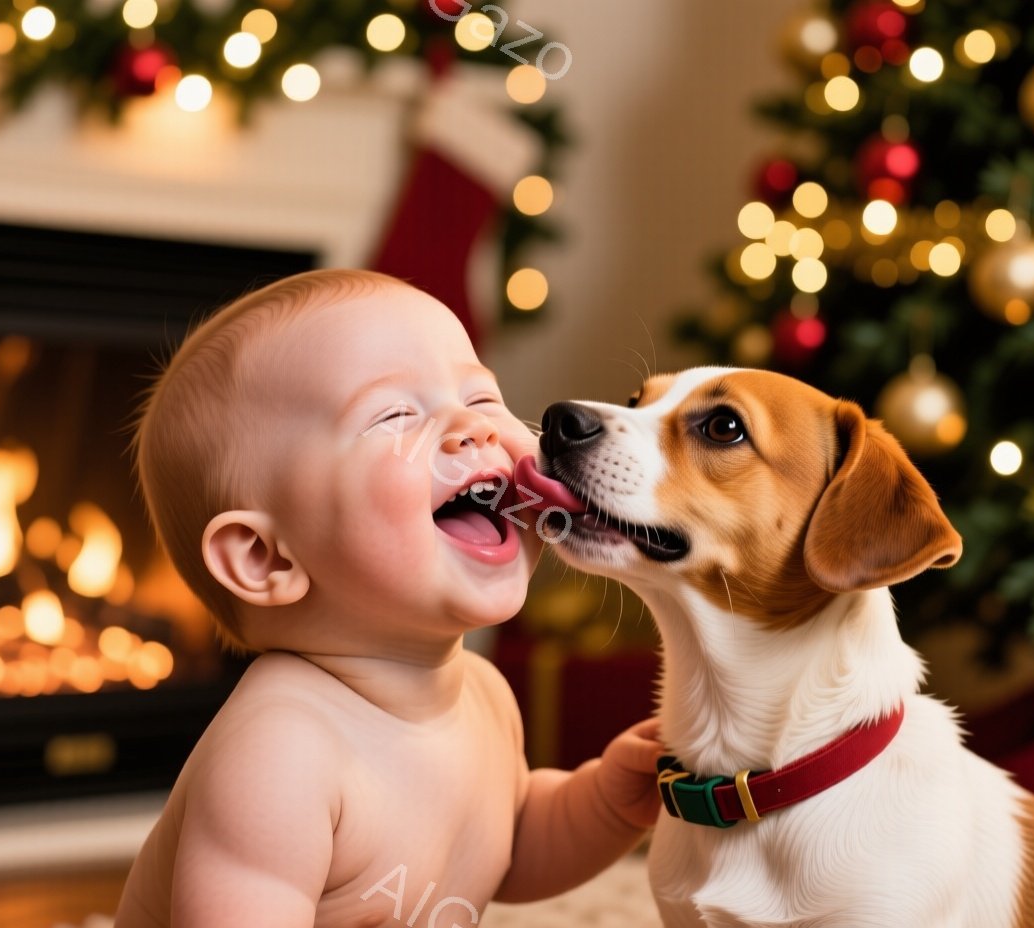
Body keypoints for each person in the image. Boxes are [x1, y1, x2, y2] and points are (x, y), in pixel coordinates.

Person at [117, 269, 663, 927]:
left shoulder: (483, 694)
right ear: (267, 558)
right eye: (396, 415)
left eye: (483, 398)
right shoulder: (280, 752)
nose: (474, 428)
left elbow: (506, 847)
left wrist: (605, 802)